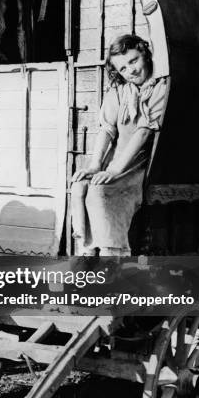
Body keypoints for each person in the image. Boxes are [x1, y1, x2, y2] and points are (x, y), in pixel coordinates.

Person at [70, 34, 166, 257]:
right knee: (80, 186)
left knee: (99, 192)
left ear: (145, 54)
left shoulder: (160, 88)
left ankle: (112, 254)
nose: (130, 71)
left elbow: (143, 133)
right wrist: (96, 165)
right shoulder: (119, 91)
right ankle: (87, 252)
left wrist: (114, 171)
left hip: (138, 162)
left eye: (133, 61)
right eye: (123, 68)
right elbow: (107, 129)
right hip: (114, 158)